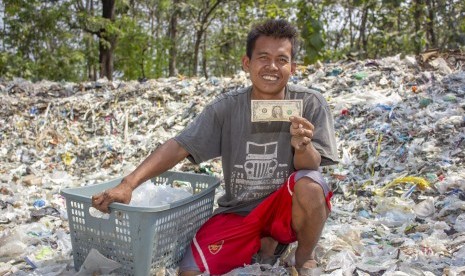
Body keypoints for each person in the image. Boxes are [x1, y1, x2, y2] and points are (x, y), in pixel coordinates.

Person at [92, 18, 338, 275]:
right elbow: (180, 145)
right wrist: (128, 184)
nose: (272, 67)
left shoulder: (309, 103)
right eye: (263, 57)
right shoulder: (227, 108)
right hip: (239, 210)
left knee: (311, 183)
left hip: (284, 207)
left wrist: (302, 146)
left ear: (293, 67)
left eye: (281, 59)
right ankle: (266, 244)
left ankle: (303, 257)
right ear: (247, 63)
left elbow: (311, 166)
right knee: (190, 271)